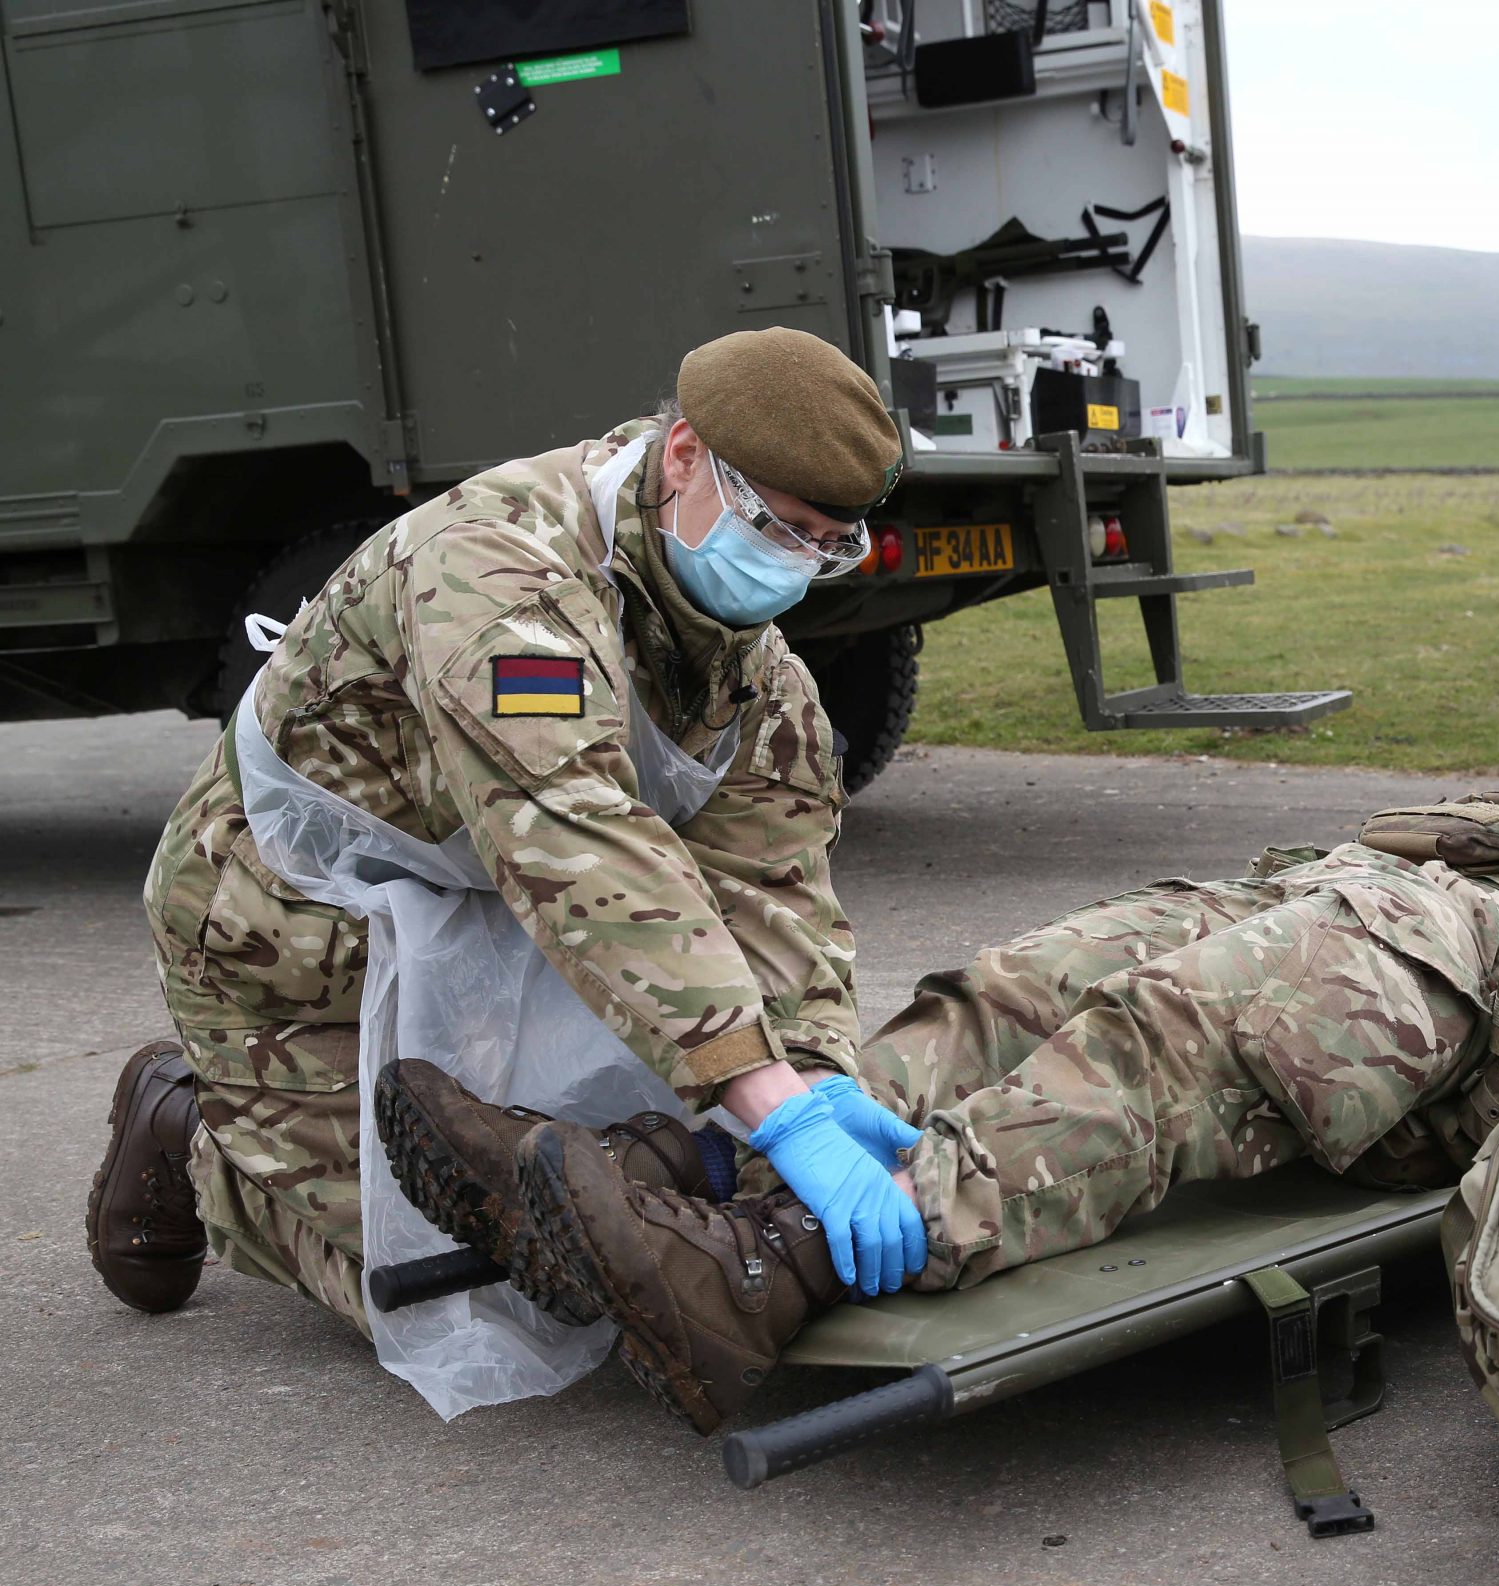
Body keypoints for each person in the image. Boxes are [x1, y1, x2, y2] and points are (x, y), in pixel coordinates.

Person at [382, 779, 1499, 1432]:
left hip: (1467, 996)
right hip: (1357, 902)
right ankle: (696, 1158)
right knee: (1016, 987)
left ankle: (764, 1268)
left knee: (1164, 1048)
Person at [89, 330, 938, 1381]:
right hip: (287, 939)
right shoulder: (496, 573)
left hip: (487, 931)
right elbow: (580, 841)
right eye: (776, 526)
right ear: (683, 459)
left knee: (606, 1232)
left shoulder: (757, 686)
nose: (793, 566)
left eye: (827, 545)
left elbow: (776, 895)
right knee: (466, 1289)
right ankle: (197, 1136)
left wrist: (811, 1075)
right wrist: (772, 1113)